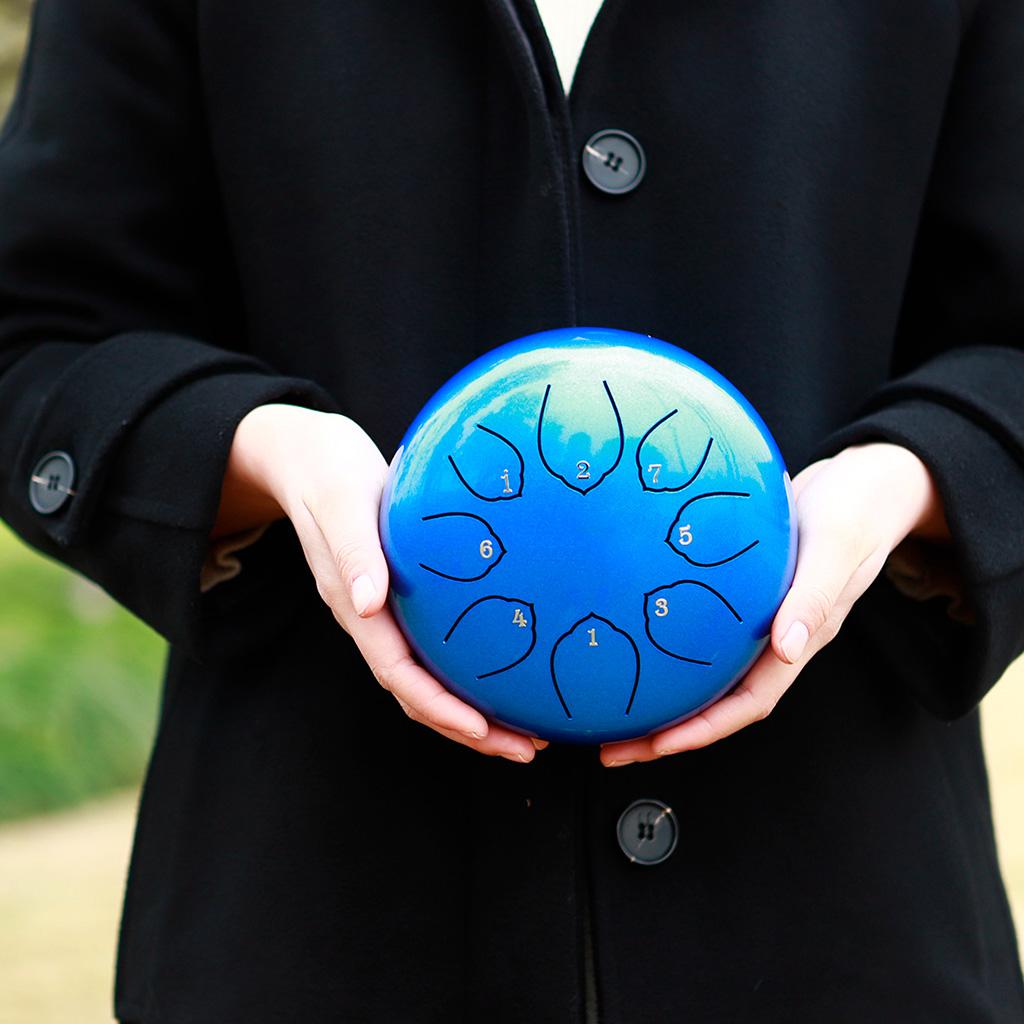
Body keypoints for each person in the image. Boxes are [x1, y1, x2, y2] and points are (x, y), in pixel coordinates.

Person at [0, 0, 1022, 1020]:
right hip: (318, 911)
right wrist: (257, 448)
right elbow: (38, 336)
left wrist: (918, 475)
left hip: (847, 916)